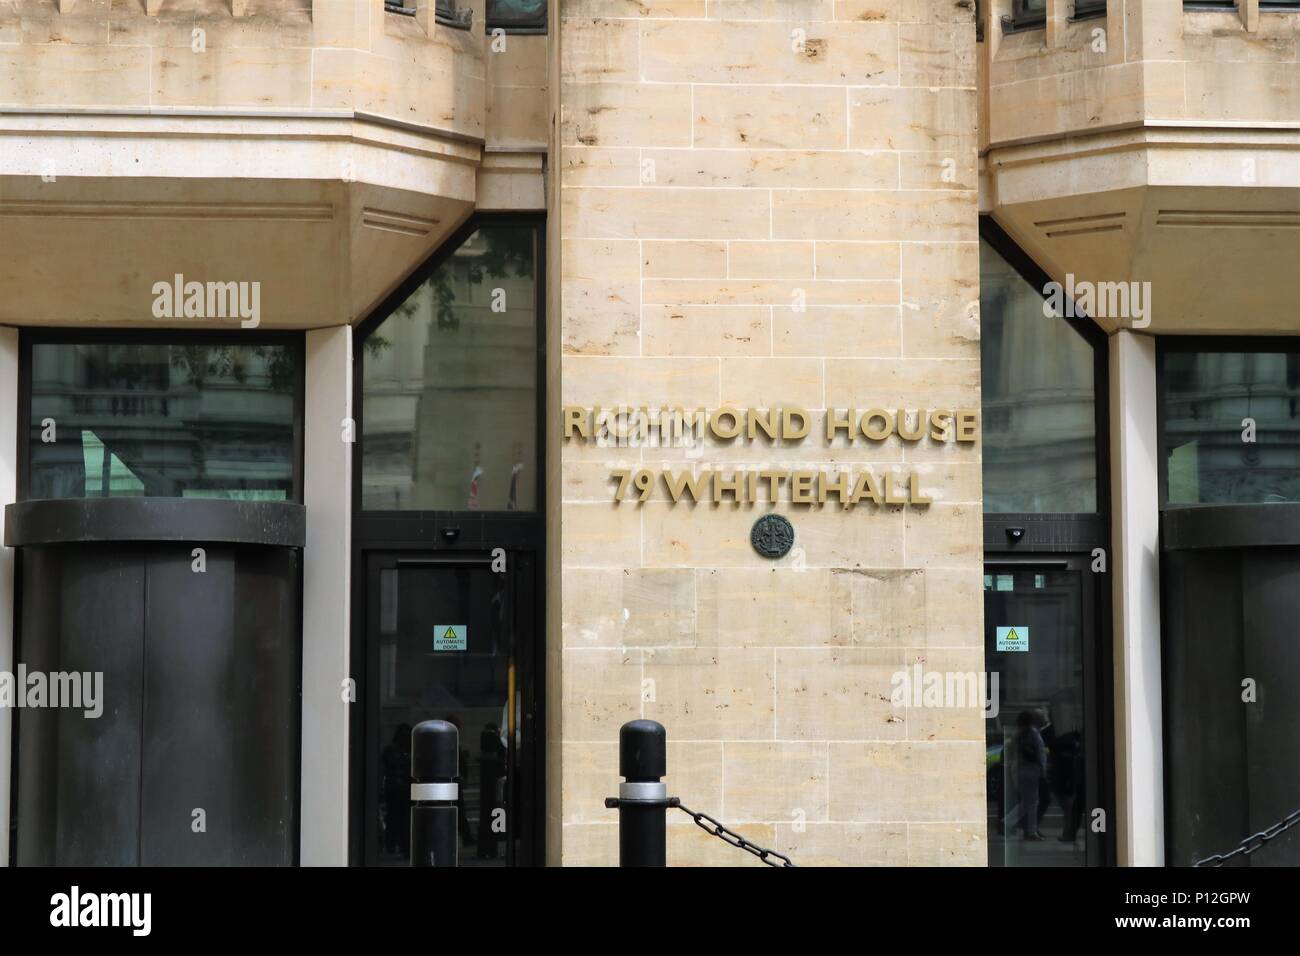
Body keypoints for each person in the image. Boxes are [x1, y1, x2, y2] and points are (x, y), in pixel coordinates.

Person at [1010, 709, 1047, 841]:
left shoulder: (1018, 734)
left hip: (1020, 769)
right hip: (1031, 770)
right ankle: (1030, 831)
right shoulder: (1033, 733)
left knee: (1028, 801)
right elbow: (1040, 752)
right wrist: (1043, 769)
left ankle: (1014, 825)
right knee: (1031, 803)